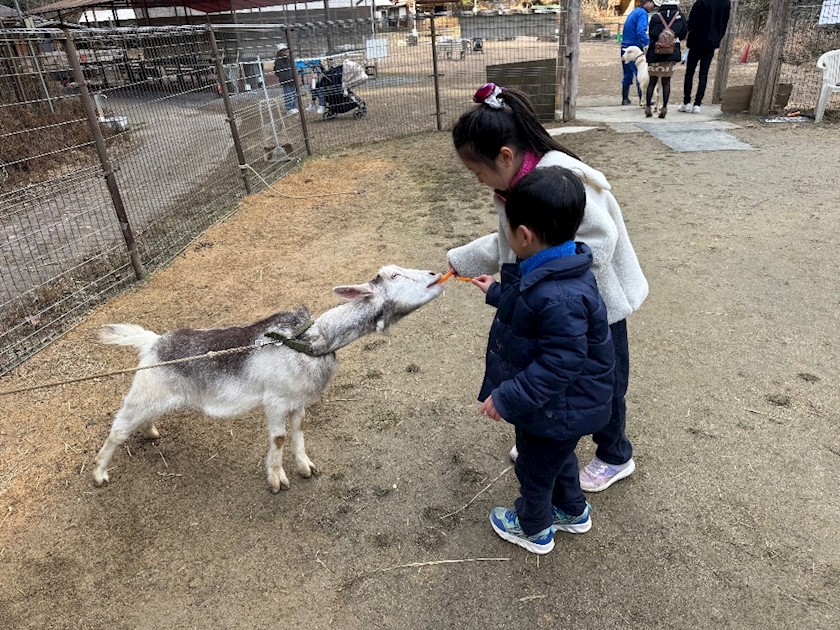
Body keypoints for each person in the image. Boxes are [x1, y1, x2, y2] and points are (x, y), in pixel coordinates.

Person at [448, 84, 649, 497]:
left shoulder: (560, 180)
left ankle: (615, 455)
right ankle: (544, 446)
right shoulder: (513, 186)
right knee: (550, 375)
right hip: (548, 302)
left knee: (601, 383)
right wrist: (465, 260)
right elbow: (512, 240)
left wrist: (540, 278)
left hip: (597, 303)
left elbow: (601, 242)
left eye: (477, 171)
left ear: (505, 156)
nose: (478, 180)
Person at [472, 167, 615, 554]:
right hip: (562, 408)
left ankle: (533, 528)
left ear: (524, 235)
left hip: (557, 407)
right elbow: (530, 310)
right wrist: (497, 292)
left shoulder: (559, 294)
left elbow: (560, 364)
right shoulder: (558, 269)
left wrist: (508, 396)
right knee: (557, 457)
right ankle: (572, 510)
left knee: (534, 468)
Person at [679, 0, 731, 114]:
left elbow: (692, 21)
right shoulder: (726, 3)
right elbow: (724, 24)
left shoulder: (701, 2)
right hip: (712, 42)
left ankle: (686, 102)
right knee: (704, 73)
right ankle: (697, 104)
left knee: (690, 72)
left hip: (696, 40)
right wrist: (718, 38)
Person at [645, 0, 688, 118]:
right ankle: (664, 107)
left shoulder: (656, 17)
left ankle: (648, 107)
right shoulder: (679, 17)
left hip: (655, 52)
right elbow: (683, 34)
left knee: (652, 81)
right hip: (671, 53)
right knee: (666, 81)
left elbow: (651, 34)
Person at [621, 0, 656, 106]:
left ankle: (625, 98)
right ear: (648, 2)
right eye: (653, 4)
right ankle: (643, 99)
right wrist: (647, 43)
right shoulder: (642, 13)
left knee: (627, 73)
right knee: (639, 73)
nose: (654, 7)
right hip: (635, 48)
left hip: (625, 45)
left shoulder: (634, 12)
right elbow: (641, 31)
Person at [273, 45, 298, 115]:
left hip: (292, 79)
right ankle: (289, 108)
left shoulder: (288, 59)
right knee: (288, 94)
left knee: (293, 93)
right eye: (284, 50)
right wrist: (283, 76)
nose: (286, 52)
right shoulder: (278, 61)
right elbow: (277, 71)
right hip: (285, 80)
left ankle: (294, 106)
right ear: (280, 52)